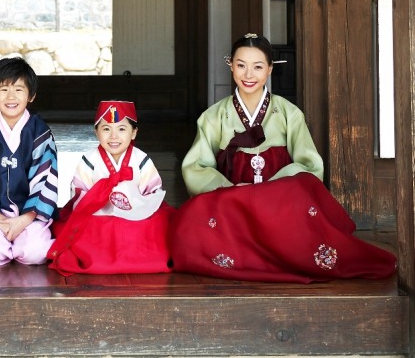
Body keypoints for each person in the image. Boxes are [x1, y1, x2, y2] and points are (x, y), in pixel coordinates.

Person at [170, 33, 397, 282]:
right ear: (231, 66)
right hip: (234, 200)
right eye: (241, 65)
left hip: (278, 201)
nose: (249, 75)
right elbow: (196, 166)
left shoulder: (289, 113)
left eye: (258, 67)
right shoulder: (213, 116)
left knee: (305, 215)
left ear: (269, 69)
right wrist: (231, 189)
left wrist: (271, 189)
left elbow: (310, 164)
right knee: (189, 222)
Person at [47, 100, 173, 274]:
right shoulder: (89, 160)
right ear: (96, 132)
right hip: (98, 216)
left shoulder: (141, 159)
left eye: (122, 129)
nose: (114, 137)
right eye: (106, 129)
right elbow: (79, 194)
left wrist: (138, 208)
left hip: (136, 216)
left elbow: (153, 191)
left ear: (134, 132)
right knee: (88, 229)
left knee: (156, 224)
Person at [0, 56, 57, 266]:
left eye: (19, 89)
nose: (11, 96)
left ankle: (17, 240)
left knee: (35, 253)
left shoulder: (40, 133)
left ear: (31, 96)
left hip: (30, 215)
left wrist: (24, 219)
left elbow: (46, 179)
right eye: (4, 89)